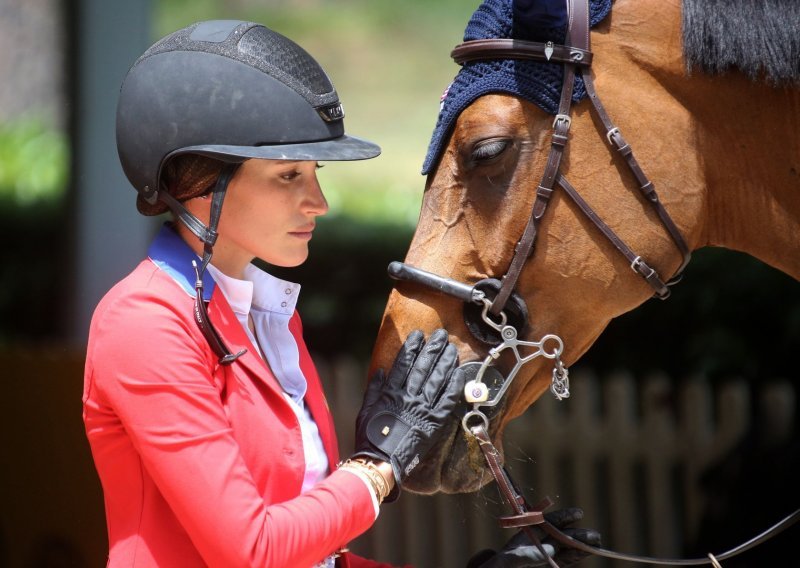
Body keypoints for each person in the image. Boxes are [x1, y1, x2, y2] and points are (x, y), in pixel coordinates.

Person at [82, 19, 599, 567]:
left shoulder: (268, 317)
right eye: (288, 176)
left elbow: (315, 557)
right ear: (199, 183)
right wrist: (380, 467)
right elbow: (252, 551)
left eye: (315, 172)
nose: (318, 202)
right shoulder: (144, 323)